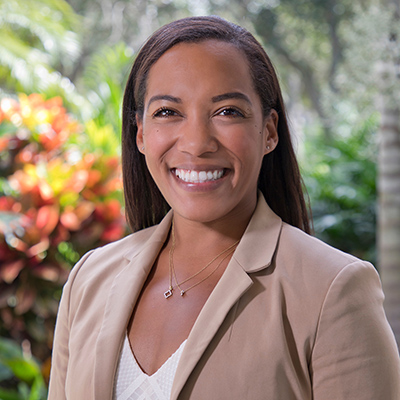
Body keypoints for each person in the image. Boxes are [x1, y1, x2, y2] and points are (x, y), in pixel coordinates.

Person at [48, 16, 400, 400]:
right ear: (140, 133)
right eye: (168, 111)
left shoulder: (334, 290)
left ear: (268, 132)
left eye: (227, 111)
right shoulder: (89, 280)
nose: (197, 144)